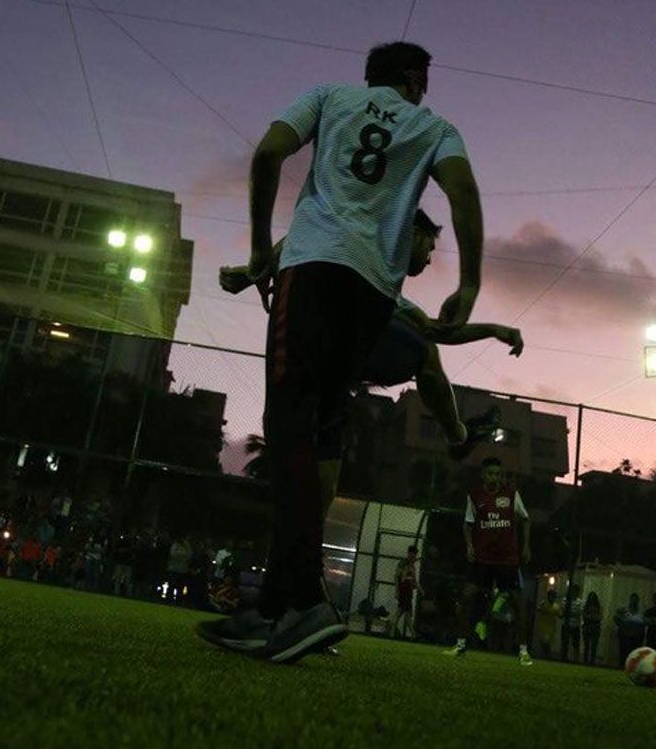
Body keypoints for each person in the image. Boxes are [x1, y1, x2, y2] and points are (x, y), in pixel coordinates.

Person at [200, 41, 486, 663]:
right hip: (372, 298)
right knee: (311, 432)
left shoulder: (328, 97)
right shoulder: (435, 128)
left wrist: (257, 251)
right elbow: (463, 192)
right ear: (413, 79)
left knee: (288, 427)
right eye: (426, 81)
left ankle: (301, 599)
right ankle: (275, 609)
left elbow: (270, 152)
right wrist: (470, 283)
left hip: (313, 274)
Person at [220, 209, 523, 475]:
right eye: (429, 248)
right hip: (316, 347)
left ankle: (457, 436)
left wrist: (494, 330)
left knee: (324, 456)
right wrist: (251, 273)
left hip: (317, 357)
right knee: (425, 351)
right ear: (414, 234)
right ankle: (457, 437)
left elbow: (434, 329)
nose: (430, 260)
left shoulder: (388, 289)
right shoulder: (369, 239)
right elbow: (302, 237)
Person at [450, 457, 533, 666]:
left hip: (507, 560)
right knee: (466, 597)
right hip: (483, 559)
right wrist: (469, 545)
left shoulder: (512, 495)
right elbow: (468, 524)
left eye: (497, 473)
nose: (494, 477)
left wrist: (525, 546)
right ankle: (460, 645)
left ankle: (523, 652)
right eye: (490, 473)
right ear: (483, 475)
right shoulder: (475, 496)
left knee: (518, 604)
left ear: (501, 475)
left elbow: (526, 519)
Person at [392, 545, 422, 639]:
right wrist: (397, 590)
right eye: (413, 555)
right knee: (401, 612)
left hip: (408, 592)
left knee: (407, 613)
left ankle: (412, 634)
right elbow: (397, 577)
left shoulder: (412, 565)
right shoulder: (403, 564)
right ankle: (393, 632)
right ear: (409, 554)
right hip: (404, 591)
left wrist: (419, 588)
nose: (414, 557)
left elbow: (414, 580)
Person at [613, 592, 646, 668]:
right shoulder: (623, 610)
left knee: (635, 654)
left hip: (637, 636)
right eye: (632, 600)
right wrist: (622, 625)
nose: (634, 602)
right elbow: (615, 617)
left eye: (635, 600)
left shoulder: (641, 612)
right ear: (630, 600)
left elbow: (645, 622)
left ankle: (633, 668)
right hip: (625, 636)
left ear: (638, 601)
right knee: (624, 653)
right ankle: (622, 667)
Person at [560, 584, 584, 662]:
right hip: (566, 624)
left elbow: (579, 612)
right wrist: (570, 611)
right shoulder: (565, 600)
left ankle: (575, 660)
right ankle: (563, 658)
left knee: (575, 645)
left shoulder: (580, 602)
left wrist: (569, 611)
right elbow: (564, 611)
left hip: (575, 625)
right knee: (564, 642)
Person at [535, 589, 560, 659]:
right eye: (551, 596)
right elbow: (538, 609)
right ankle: (546, 656)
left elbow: (560, 615)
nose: (552, 598)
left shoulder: (556, 606)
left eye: (553, 596)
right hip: (543, 626)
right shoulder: (544, 603)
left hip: (551, 627)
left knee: (547, 642)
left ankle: (547, 656)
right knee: (544, 642)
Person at [582, 591, 602, 665]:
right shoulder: (586, 606)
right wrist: (593, 617)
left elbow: (599, 617)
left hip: (594, 627)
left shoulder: (598, 607)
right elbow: (584, 616)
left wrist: (590, 617)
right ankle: (585, 660)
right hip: (588, 626)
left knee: (594, 646)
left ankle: (592, 661)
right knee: (587, 645)